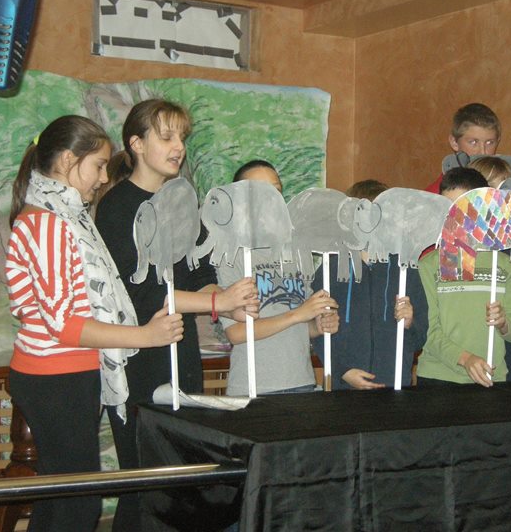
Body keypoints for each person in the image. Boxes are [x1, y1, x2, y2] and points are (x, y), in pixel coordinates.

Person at [5, 115, 184, 532]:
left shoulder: (58, 216)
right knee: (78, 504)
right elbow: (66, 326)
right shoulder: (49, 223)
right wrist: (144, 335)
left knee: (60, 499)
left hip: (62, 373)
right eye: (99, 166)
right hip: (56, 375)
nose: (104, 178)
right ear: (69, 160)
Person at [95, 99, 259, 532]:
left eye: (182, 137)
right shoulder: (117, 207)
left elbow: (200, 274)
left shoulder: (183, 201)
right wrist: (216, 304)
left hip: (181, 356)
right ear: (136, 143)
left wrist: (227, 297)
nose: (178, 147)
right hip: (139, 362)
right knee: (142, 489)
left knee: (179, 491)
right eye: (167, 137)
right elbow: (144, 294)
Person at [220, 160, 339, 395]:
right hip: (254, 388)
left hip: (301, 381)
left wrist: (318, 325)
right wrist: (298, 315)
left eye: (276, 190)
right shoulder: (230, 255)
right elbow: (236, 333)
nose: (272, 199)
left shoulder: (294, 250)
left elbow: (301, 324)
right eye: (261, 192)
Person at [311, 179, 428, 390]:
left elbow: (419, 337)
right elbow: (317, 331)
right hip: (344, 385)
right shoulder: (331, 268)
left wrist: (410, 323)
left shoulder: (404, 268)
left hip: (395, 383)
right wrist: (342, 370)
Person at [416, 167, 511, 387]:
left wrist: (504, 323)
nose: (453, 217)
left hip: (491, 375)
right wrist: (465, 359)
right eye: (446, 208)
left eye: (463, 207)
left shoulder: (503, 264)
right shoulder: (429, 265)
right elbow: (427, 331)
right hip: (439, 377)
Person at [424, 103, 501, 193]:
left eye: (489, 142)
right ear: (454, 142)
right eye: (473, 142)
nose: (483, 152)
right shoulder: (438, 195)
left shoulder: (506, 188)